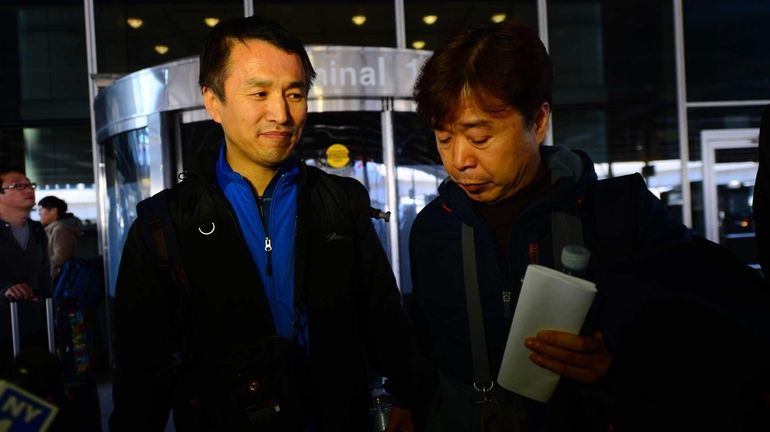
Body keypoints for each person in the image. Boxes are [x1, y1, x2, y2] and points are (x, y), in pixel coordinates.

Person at [110, 15, 431, 432]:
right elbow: (141, 366)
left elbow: (383, 317)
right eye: (259, 92)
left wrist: (407, 393)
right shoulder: (165, 224)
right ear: (213, 101)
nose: (281, 113)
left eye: (295, 94)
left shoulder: (341, 203)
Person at [408, 20, 694, 431]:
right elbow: (424, 347)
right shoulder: (432, 229)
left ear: (538, 121)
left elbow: (698, 333)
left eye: (480, 137)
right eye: (444, 138)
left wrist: (619, 367)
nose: (460, 161)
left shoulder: (616, 216)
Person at [0, 167, 49, 373]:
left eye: (29, 184)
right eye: (18, 185)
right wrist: (5, 288)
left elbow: (43, 275)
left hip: (33, 324)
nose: (28, 189)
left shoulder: (37, 230)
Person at [38, 195, 82, 280]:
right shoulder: (55, 229)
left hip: (59, 279)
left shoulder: (61, 230)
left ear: (53, 211)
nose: (39, 213)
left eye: (41, 209)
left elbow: (60, 258)